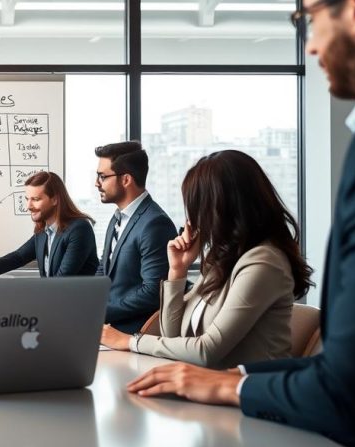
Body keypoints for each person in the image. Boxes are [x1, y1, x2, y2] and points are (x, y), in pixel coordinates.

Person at [127, 0, 355, 447]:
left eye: (307, 21)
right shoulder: (226, 262)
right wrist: (179, 283)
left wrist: (227, 386)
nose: (310, 46)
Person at [101, 151, 313, 369]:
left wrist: (130, 341)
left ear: (222, 207)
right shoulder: (222, 260)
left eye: (196, 208)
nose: (192, 219)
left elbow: (206, 351)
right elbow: (171, 335)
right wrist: (177, 271)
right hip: (206, 388)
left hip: (246, 395)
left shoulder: (264, 262)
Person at [94, 141, 177, 334]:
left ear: (126, 180)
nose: (96, 183)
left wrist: (101, 312)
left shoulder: (155, 224)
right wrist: (85, 301)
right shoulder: (117, 218)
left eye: (102, 176)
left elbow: (153, 292)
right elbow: (104, 270)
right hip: (108, 328)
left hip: (133, 333)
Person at [0, 171, 97, 279]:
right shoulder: (44, 231)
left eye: (36, 199)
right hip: (55, 304)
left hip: (76, 307)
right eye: (27, 199)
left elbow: (62, 280)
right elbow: (19, 256)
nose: (28, 206)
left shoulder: (79, 229)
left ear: (55, 199)